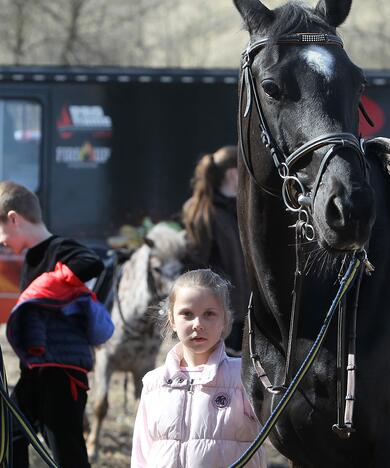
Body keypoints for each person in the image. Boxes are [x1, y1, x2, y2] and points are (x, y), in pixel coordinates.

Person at [0, 181, 112, 468]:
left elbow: (92, 263)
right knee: (7, 430)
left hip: (64, 373)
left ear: (13, 219)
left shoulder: (61, 248)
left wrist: (47, 285)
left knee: (66, 450)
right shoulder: (30, 258)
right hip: (35, 369)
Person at [131, 269, 265, 468]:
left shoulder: (245, 376)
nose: (198, 324)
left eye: (209, 314)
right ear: (172, 319)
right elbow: (141, 456)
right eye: (187, 314)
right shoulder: (154, 384)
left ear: (225, 320)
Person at [182, 146, 249, 355]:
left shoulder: (243, 208)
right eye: (243, 171)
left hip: (246, 311)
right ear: (232, 173)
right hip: (220, 312)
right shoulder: (202, 211)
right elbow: (196, 265)